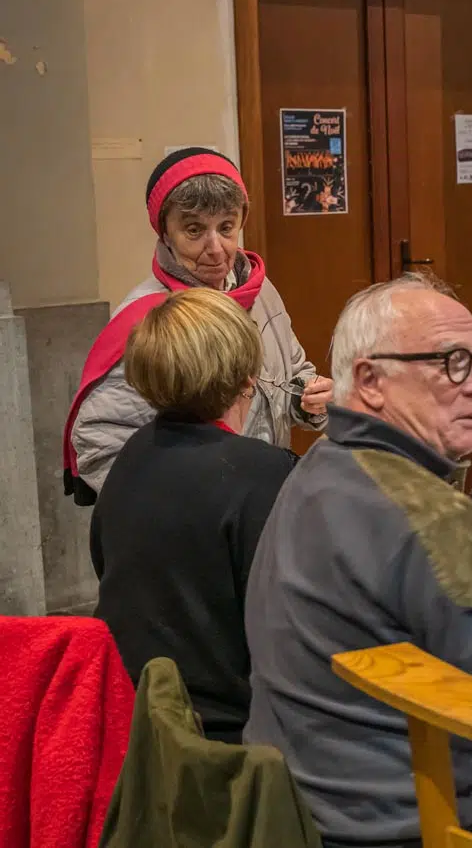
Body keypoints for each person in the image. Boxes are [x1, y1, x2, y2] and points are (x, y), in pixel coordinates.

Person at [242, 274, 472, 848]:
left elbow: (415, 577)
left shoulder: (320, 466)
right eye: (453, 362)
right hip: (433, 828)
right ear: (371, 381)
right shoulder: (436, 519)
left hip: (301, 815)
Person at [63, 147, 332, 505]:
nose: (217, 249)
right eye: (194, 230)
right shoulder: (148, 318)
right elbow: (100, 443)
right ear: (165, 233)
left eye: (227, 227)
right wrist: (188, 510)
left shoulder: (260, 291)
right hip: (199, 526)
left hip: (260, 503)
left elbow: (291, 372)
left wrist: (307, 399)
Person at [90, 287, 297, 744]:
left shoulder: (133, 453)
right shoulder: (262, 470)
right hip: (222, 739)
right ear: (248, 379)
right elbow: (290, 625)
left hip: (130, 720)